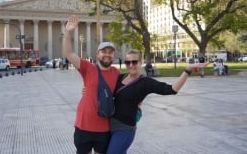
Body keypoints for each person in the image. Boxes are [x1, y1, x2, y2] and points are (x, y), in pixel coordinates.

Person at [106, 49, 210, 154]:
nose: (131, 65)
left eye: (134, 62)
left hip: (125, 129)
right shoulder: (120, 77)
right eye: (128, 62)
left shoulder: (145, 82)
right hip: (108, 125)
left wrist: (188, 69)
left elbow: (172, 89)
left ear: (141, 62)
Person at [62, 15, 120, 154]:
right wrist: (68, 32)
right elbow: (68, 53)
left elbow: (126, 91)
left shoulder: (116, 73)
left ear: (113, 55)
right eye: (104, 51)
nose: (107, 55)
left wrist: (138, 101)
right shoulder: (88, 67)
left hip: (104, 128)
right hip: (83, 125)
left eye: (110, 52)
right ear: (97, 54)